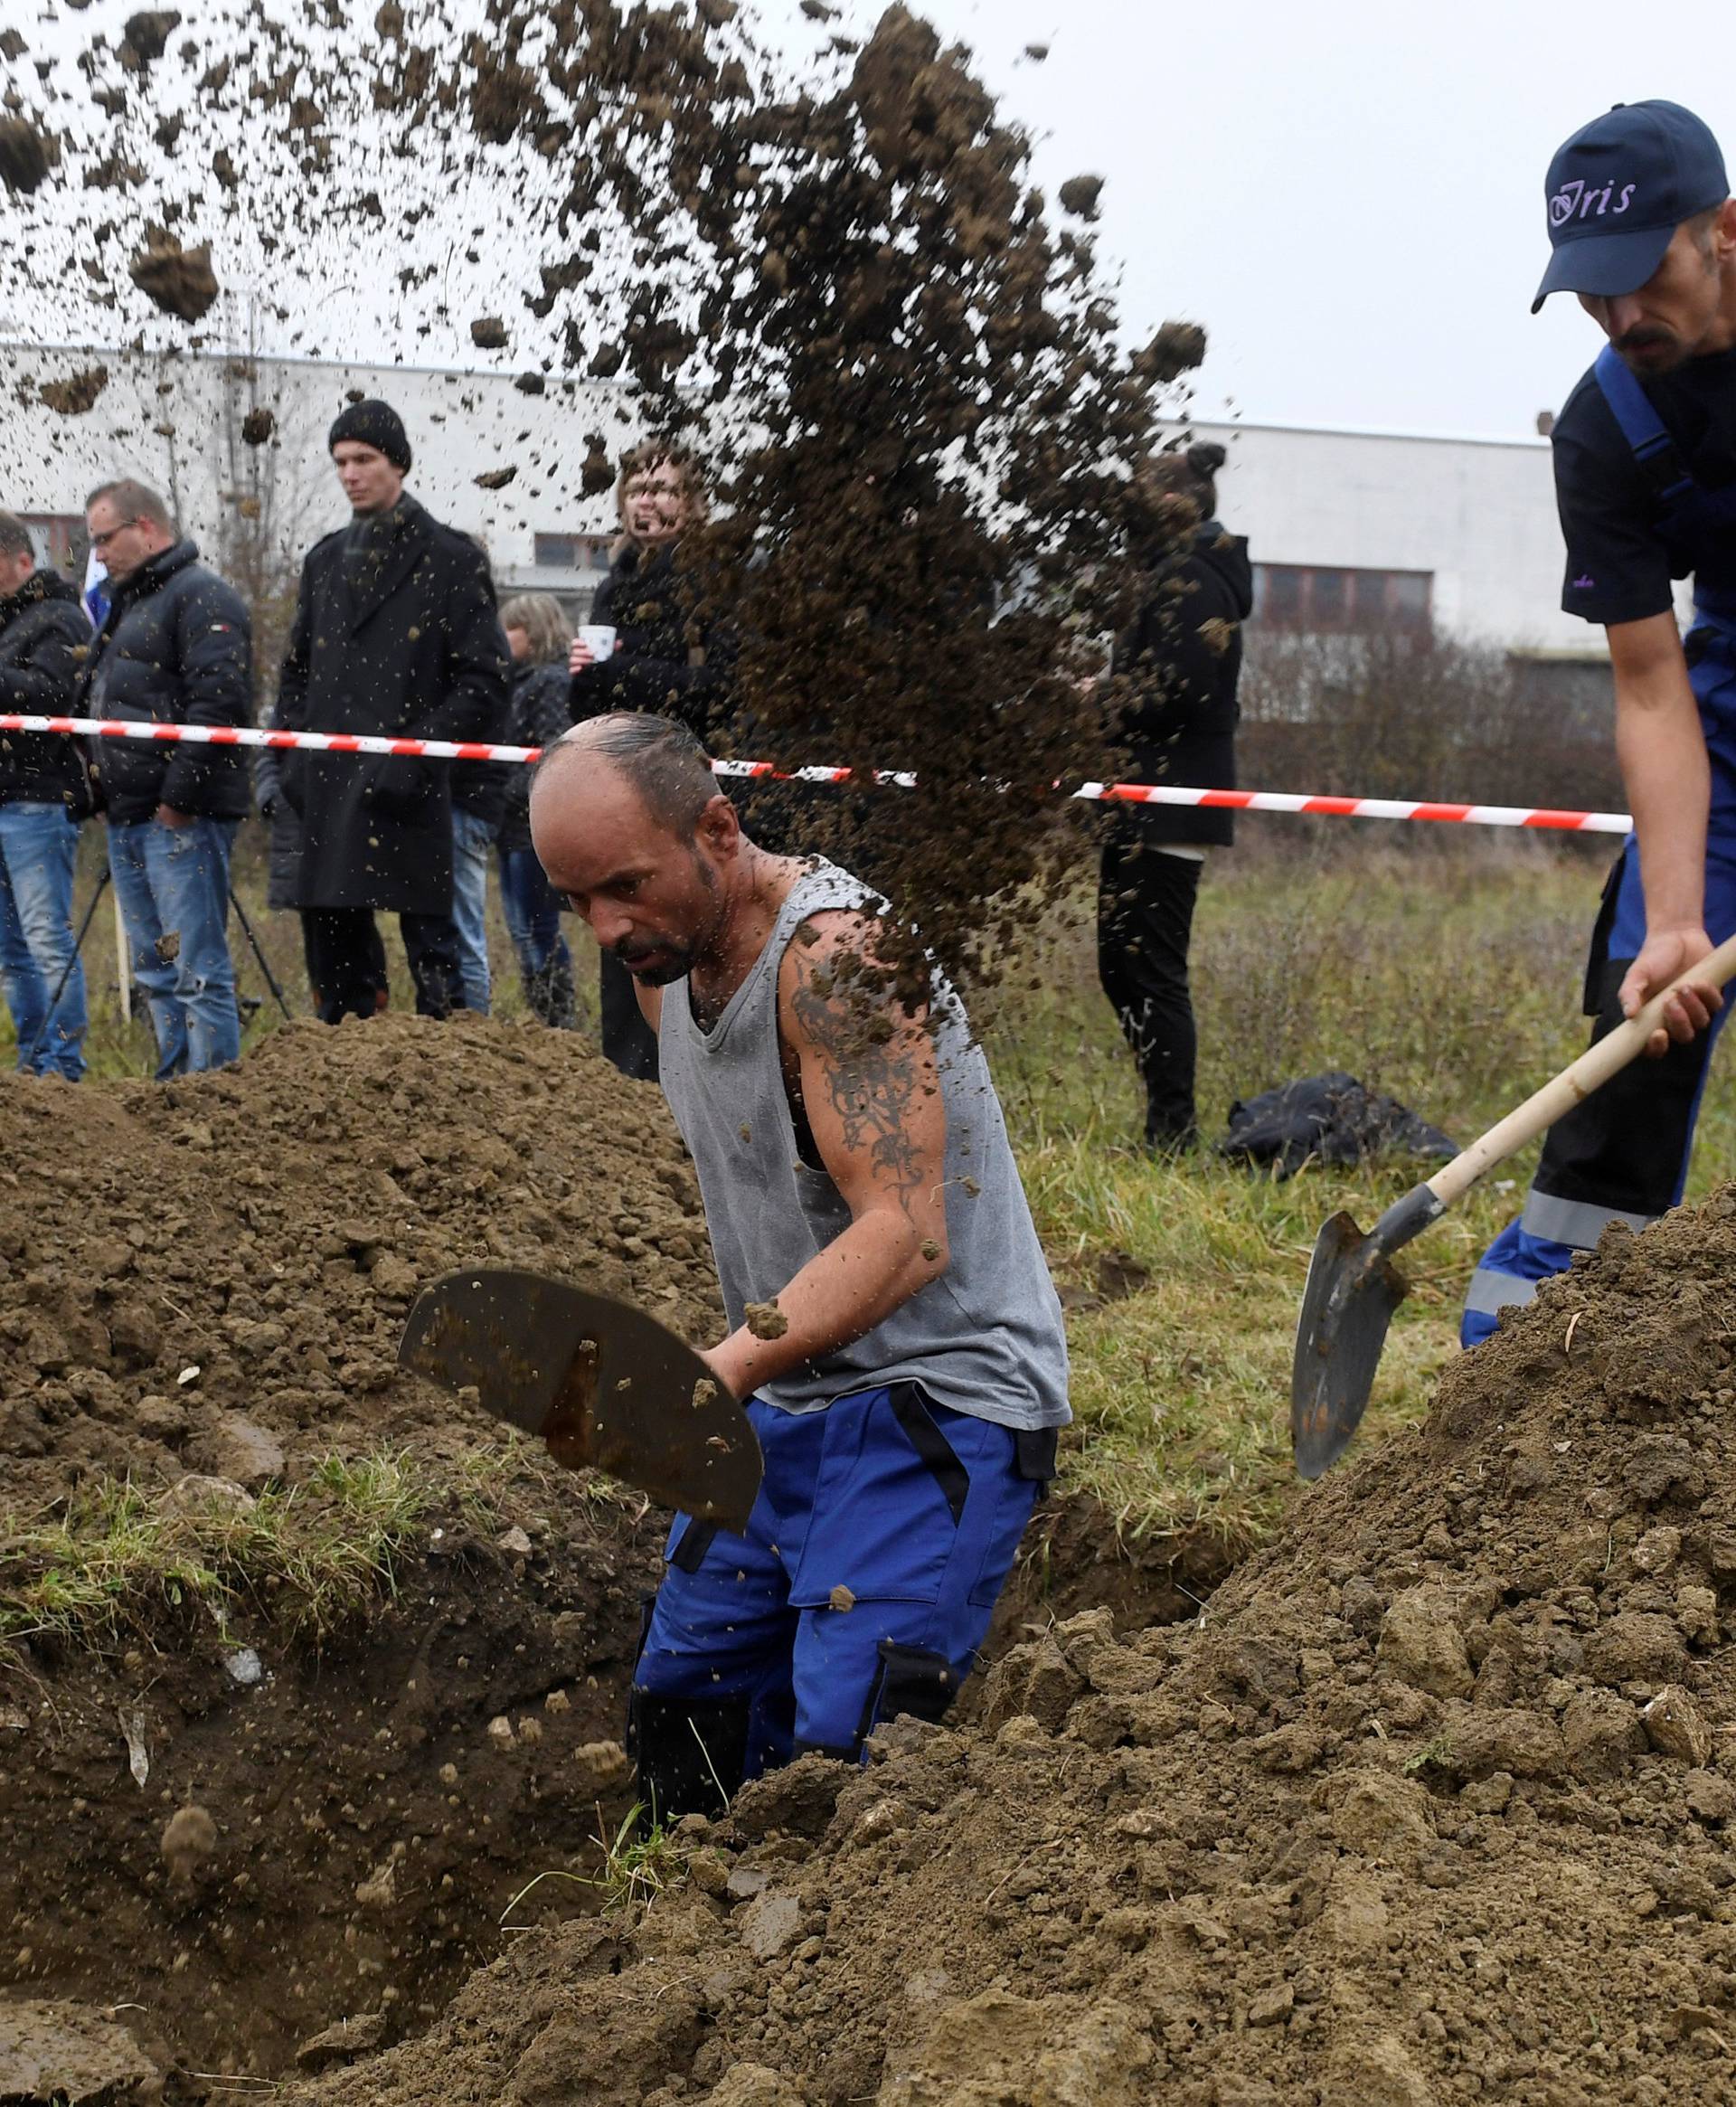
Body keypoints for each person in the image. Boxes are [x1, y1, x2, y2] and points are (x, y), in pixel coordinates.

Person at [529, 712, 1071, 1821]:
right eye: (576, 899)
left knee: (843, 1763)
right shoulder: (662, 963)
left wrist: (716, 1371)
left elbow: (906, 1231)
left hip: (943, 1396)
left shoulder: (839, 960)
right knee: (688, 1710)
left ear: (719, 830)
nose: (606, 927)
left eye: (625, 884)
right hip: (794, 1392)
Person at [1466, 101, 1736, 1341]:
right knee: (1651, 999)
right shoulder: (1606, 427)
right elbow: (1648, 684)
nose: (1623, 319)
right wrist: (1680, 919)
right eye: (1592, 295)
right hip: (1724, 685)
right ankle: (1545, 1347)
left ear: (1723, 233)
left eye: (1645, 279)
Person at [276, 400, 511, 1025]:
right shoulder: (323, 561)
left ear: (398, 464)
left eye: (365, 459)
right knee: (337, 967)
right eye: (341, 462)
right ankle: (348, 1078)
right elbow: (296, 672)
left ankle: (453, 1080)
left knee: (440, 968)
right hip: (327, 782)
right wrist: (286, 760)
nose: (351, 474)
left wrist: (418, 753)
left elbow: (484, 679)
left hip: (416, 789)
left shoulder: (452, 559)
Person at [1098, 442, 1252, 1153]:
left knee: (1154, 970)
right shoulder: (1169, 572)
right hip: (1141, 797)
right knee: (1119, 964)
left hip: (1172, 798)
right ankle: (1163, 1118)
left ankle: (1172, 1132)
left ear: (1167, 506)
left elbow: (1181, 689)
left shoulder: (1192, 575)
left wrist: (1097, 698)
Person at [569, 442, 739, 1080]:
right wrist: (584, 677)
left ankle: (701, 1076)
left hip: (691, 782)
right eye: (638, 488)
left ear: (692, 503)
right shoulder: (615, 583)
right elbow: (591, 696)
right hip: (622, 783)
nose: (648, 500)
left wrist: (618, 672)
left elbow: (722, 685)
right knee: (624, 931)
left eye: (664, 489)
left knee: (690, 935)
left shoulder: (713, 577)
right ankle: (632, 1078)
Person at [79, 478, 251, 1078]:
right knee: (156, 972)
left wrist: (178, 801)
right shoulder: (128, 602)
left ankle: (214, 1100)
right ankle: (174, 1092)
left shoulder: (202, 597)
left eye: (105, 538)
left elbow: (221, 702)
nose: (97, 553)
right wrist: (100, 790)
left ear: (145, 527)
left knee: (198, 970)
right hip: (130, 815)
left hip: (180, 817)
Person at [0, 512, 94, 1079]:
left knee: (45, 938)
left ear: (22, 561)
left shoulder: (59, 618)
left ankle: (62, 1065)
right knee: (12, 951)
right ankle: (32, 1061)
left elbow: (54, 697)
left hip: (38, 798)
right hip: (3, 794)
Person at [497, 592, 577, 1026]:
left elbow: (554, 749)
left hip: (532, 826)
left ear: (536, 631)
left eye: (512, 628)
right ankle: (543, 1016)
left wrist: (508, 788)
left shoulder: (550, 682)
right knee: (521, 929)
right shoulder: (516, 681)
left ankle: (557, 1021)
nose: (502, 637)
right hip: (509, 824)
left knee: (538, 930)